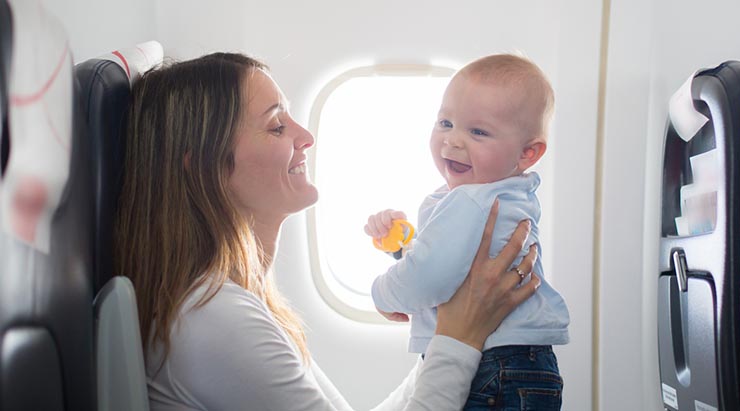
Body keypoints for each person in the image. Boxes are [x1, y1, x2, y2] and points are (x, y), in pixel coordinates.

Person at [114, 52, 541, 411]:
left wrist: (454, 323)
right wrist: (458, 335)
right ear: (204, 164)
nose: (305, 136)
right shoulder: (213, 319)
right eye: (277, 126)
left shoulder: (239, 301)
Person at [364, 54, 570, 410]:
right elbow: (459, 264)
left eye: (478, 132)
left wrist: (382, 294)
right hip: (524, 365)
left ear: (527, 153)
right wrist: (404, 247)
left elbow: (430, 278)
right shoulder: (505, 194)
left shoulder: (471, 201)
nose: (453, 141)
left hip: (492, 367)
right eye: (445, 122)